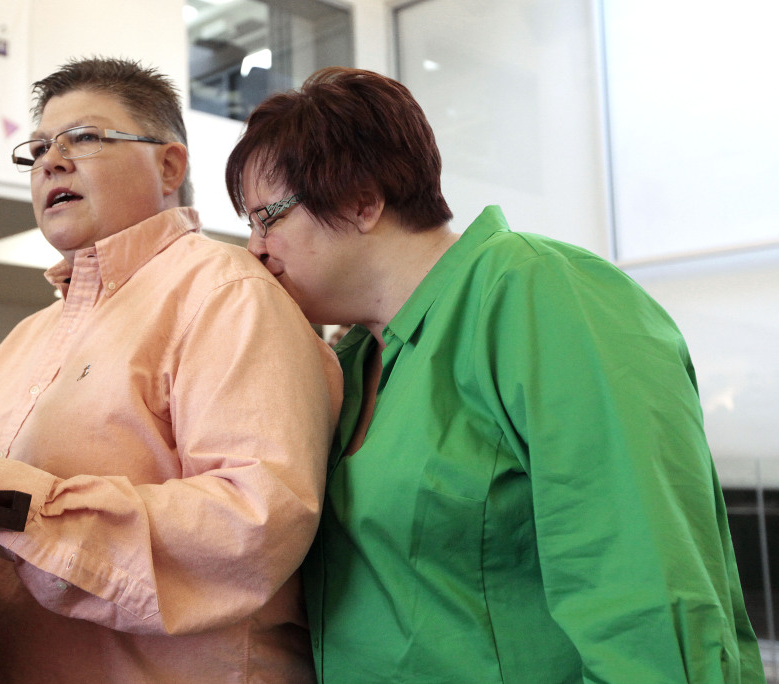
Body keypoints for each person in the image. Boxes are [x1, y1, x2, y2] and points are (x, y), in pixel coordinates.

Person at [224, 67, 765, 683]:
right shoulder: (348, 361)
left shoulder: (542, 294)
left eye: (268, 217)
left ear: (360, 200)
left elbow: (648, 595)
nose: (255, 249)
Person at [0, 57, 341, 683]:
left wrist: (22, 504)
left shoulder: (225, 293)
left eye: (83, 137)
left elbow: (254, 522)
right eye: (36, 150)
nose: (51, 161)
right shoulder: (27, 337)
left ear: (169, 166)